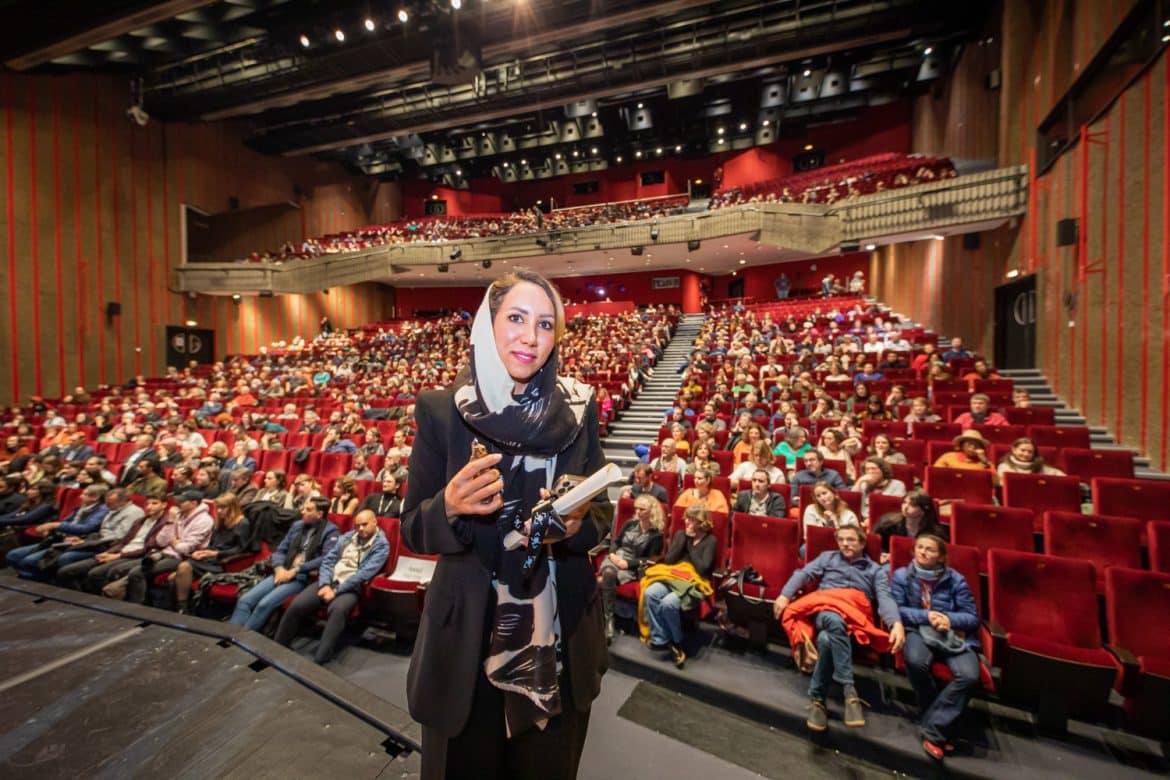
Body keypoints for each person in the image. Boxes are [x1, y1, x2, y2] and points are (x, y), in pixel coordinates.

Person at [399, 271, 607, 778]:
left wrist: (574, 525)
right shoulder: (441, 410)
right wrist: (447, 505)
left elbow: (601, 519)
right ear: (487, 325)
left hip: (555, 641)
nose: (530, 337)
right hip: (466, 642)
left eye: (544, 323)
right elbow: (412, 528)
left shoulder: (581, 409)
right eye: (515, 318)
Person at [773, 525, 905, 731]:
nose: (845, 544)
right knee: (832, 618)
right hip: (824, 608)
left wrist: (895, 623)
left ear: (862, 543)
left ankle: (818, 699)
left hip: (854, 621)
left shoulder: (874, 570)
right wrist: (784, 595)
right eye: (841, 539)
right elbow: (804, 574)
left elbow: (885, 599)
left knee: (826, 639)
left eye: (851, 540)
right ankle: (849, 690)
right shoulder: (828, 558)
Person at [891, 534, 981, 760]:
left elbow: (971, 617)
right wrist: (926, 616)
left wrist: (948, 620)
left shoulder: (955, 580)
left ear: (941, 556)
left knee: (970, 676)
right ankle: (940, 728)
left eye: (930, 549)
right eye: (919, 547)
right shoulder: (902, 575)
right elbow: (896, 609)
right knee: (915, 662)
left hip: (952, 634)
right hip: (917, 629)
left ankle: (932, 725)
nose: (922, 552)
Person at [274, 509, 390, 664]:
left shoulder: (381, 545)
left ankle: (320, 659)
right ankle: (277, 648)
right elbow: (328, 561)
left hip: (350, 587)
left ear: (375, 522)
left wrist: (336, 590)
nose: (360, 529)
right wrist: (325, 584)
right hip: (329, 581)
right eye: (357, 525)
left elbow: (364, 574)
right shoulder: (347, 537)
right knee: (296, 605)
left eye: (364, 525)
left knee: (337, 610)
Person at [230, 495, 339, 632]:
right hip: (282, 571)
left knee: (264, 604)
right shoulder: (297, 526)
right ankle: (229, 635)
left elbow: (326, 557)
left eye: (308, 509)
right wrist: (279, 568)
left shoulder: (331, 531)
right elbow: (280, 550)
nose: (303, 512)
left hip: (301, 577)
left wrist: (297, 570)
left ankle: (241, 639)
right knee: (245, 600)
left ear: (319, 514)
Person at [642, 505, 717, 668]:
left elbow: (703, 568)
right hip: (673, 576)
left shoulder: (710, 541)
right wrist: (684, 539)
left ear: (700, 522)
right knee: (650, 593)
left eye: (691, 519)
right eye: (687, 518)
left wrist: (690, 543)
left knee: (668, 603)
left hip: (693, 581)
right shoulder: (680, 534)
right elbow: (669, 560)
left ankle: (677, 641)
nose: (687, 522)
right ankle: (660, 638)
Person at [124, 489, 214, 605]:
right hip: (163, 553)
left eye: (182, 501)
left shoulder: (204, 521)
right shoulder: (177, 515)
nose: (177, 503)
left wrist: (173, 542)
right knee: (124, 568)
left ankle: (139, 609)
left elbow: (185, 549)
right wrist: (170, 522)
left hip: (182, 558)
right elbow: (160, 541)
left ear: (194, 504)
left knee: (136, 573)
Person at [170, 492, 252, 613]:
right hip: (210, 559)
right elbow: (212, 544)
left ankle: (183, 608)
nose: (219, 511)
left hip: (224, 563)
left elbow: (241, 549)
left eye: (223, 508)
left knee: (182, 568)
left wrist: (216, 554)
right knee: (173, 577)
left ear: (233, 507)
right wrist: (202, 552)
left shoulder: (242, 523)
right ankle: (182, 608)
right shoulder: (220, 522)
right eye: (217, 507)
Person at [599, 494, 665, 643]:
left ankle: (607, 619)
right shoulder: (630, 523)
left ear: (651, 511)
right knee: (609, 572)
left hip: (631, 566)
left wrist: (628, 564)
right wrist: (613, 555)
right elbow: (616, 542)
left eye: (642, 509)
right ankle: (609, 620)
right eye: (637, 508)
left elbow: (651, 558)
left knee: (605, 578)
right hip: (615, 559)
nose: (638, 512)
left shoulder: (656, 535)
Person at [6, 484, 110, 577]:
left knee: (29, 561)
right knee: (13, 555)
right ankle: (34, 579)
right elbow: (66, 521)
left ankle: (40, 581)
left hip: (76, 542)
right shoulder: (83, 507)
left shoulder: (102, 510)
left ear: (95, 498)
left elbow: (86, 528)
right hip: (59, 539)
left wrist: (56, 525)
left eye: (85, 494)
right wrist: (53, 529)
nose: (80, 496)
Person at [874, 490, 948, 561]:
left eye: (912, 505)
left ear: (924, 510)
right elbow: (874, 543)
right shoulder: (887, 523)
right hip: (889, 561)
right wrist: (882, 554)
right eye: (904, 502)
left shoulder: (936, 533)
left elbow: (941, 555)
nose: (905, 507)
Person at [932, 430, 998, 485]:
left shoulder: (986, 463)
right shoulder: (948, 457)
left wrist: (985, 462)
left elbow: (995, 483)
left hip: (975, 496)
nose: (973, 447)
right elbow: (934, 476)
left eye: (976, 444)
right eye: (969, 443)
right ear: (962, 445)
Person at [997, 437, 1065, 476]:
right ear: (1014, 450)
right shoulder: (1004, 467)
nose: (1026, 454)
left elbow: (1060, 475)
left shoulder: (1040, 466)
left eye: (1030, 452)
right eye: (1022, 450)